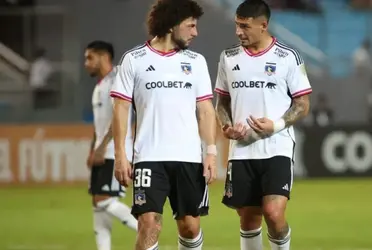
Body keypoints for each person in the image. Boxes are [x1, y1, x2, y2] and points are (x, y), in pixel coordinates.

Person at [110, 0, 217, 249]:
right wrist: (120, 155)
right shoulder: (134, 60)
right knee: (149, 224)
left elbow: (205, 110)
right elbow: (121, 109)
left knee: (190, 227)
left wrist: (210, 152)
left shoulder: (197, 61)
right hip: (149, 157)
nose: (195, 32)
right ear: (172, 25)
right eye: (190, 25)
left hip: (189, 157)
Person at [214, 1, 312, 250]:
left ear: (264, 25)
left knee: (273, 212)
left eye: (245, 26)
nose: (238, 31)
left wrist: (276, 125)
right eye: (237, 25)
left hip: (276, 146)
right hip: (242, 149)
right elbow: (221, 103)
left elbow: (302, 104)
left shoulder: (288, 57)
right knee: (248, 218)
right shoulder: (228, 57)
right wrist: (226, 127)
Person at [84, 40, 138, 250]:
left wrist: (101, 147)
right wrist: (93, 148)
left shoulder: (117, 80)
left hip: (114, 152)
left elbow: (120, 118)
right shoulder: (100, 85)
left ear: (104, 57)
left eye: (90, 57)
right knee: (98, 205)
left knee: (104, 200)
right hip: (101, 151)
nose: (86, 63)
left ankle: (146, 229)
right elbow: (100, 124)